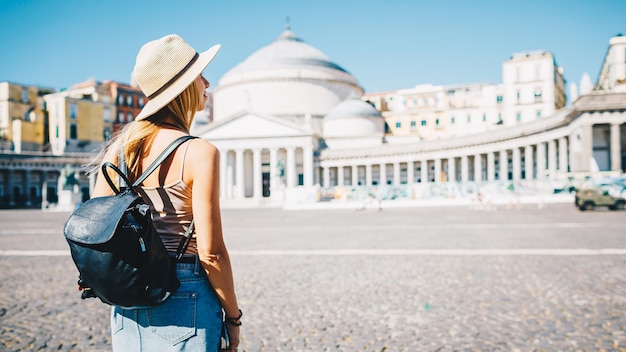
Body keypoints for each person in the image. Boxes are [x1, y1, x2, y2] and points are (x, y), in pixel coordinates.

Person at [91, 34, 240, 351]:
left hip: (128, 297)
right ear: (185, 87)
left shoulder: (120, 149)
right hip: (185, 292)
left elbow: (97, 220)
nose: (208, 83)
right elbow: (211, 253)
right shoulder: (199, 151)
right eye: (200, 75)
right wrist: (234, 317)